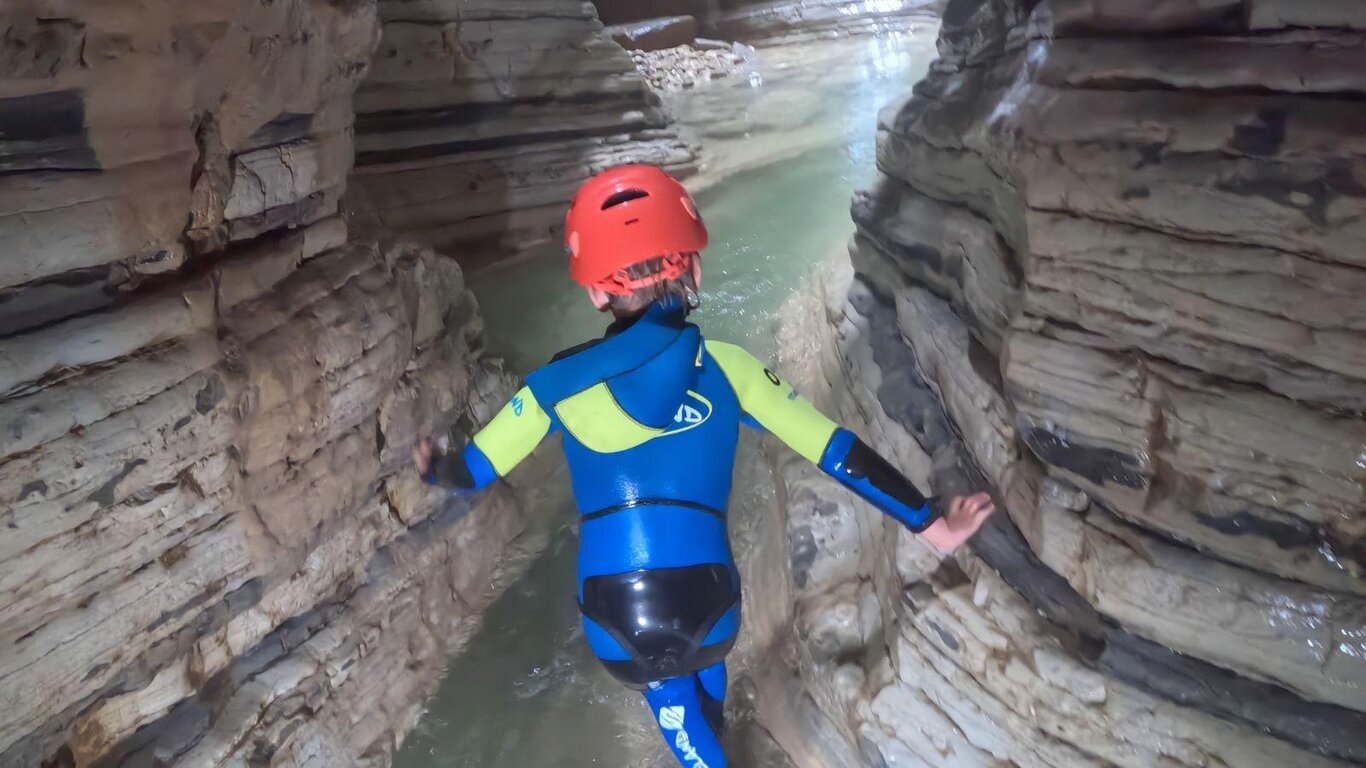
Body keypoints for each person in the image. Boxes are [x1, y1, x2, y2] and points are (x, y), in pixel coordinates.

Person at [412, 165, 995, 768]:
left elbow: (471, 474)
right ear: (693, 269)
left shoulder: (550, 389)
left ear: (593, 290)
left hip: (619, 621)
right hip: (712, 603)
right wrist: (931, 524)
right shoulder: (730, 369)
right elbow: (836, 450)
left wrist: (434, 466)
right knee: (705, 669)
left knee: (677, 709)